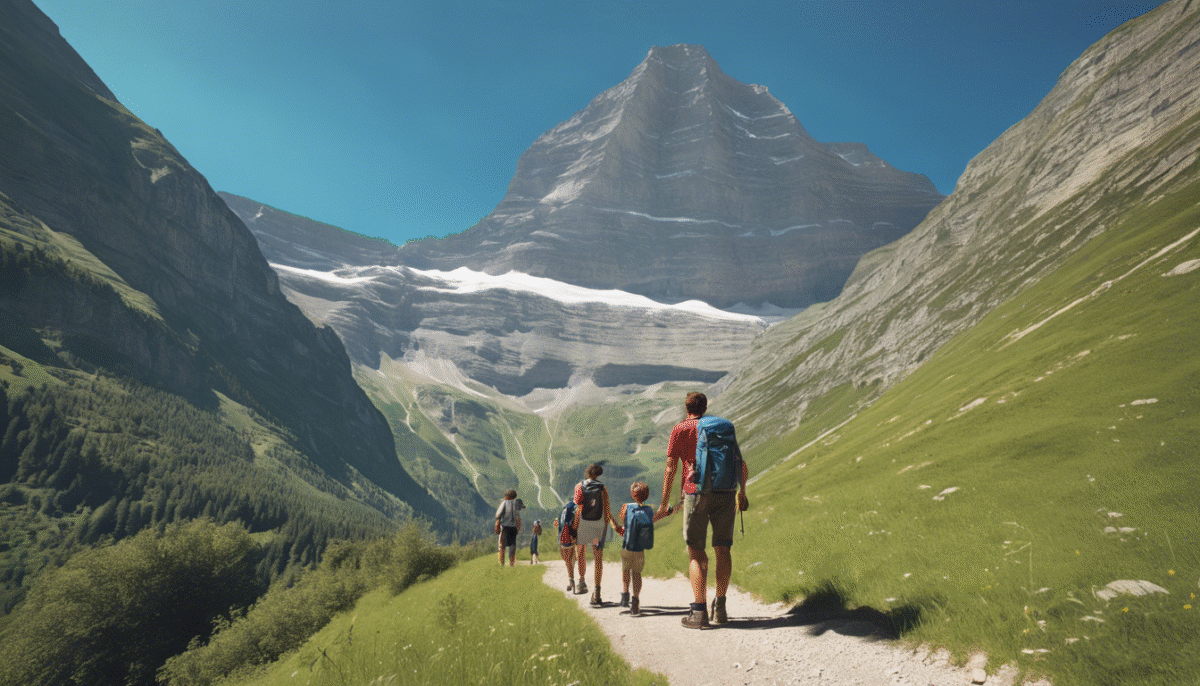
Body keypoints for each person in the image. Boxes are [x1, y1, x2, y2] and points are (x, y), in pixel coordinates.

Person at [657, 392, 748, 628]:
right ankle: (721, 607)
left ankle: (699, 613)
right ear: (705, 407)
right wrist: (742, 493)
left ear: (686, 407)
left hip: (695, 492)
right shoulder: (721, 428)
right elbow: (740, 462)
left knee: (696, 551)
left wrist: (665, 502)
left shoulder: (680, 429)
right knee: (723, 548)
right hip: (726, 492)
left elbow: (670, 468)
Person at [615, 481, 676, 615]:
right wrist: (667, 512)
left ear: (632, 494)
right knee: (636, 574)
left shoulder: (626, 507)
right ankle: (635, 601)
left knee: (626, 570)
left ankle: (625, 595)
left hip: (626, 546)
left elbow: (621, 520)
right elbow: (655, 518)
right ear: (647, 495)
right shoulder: (648, 510)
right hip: (639, 549)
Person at [572, 463, 621, 606]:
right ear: (598, 474)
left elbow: (577, 508)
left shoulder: (579, 486)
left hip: (583, 524)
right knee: (597, 557)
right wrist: (607, 527)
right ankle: (597, 593)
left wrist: (574, 528)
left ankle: (581, 582)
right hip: (598, 525)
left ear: (587, 473)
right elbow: (607, 510)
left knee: (580, 551)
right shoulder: (602, 488)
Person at [494, 489, 523, 567]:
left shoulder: (504, 503)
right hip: (513, 528)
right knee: (512, 546)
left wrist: (497, 523)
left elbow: (498, 514)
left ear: (507, 497)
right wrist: (519, 528)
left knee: (502, 546)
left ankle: (502, 564)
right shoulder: (516, 504)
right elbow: (518, 518)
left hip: (504, 527)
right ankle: (511, 563)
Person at [555, 500, 579, 591]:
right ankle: (578, 580)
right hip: (576, 536)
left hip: (566, 537)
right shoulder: (576, 510)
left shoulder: (564, 511)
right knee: (573, 559)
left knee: (568, 560)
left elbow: (560, 526)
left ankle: (571, 580)